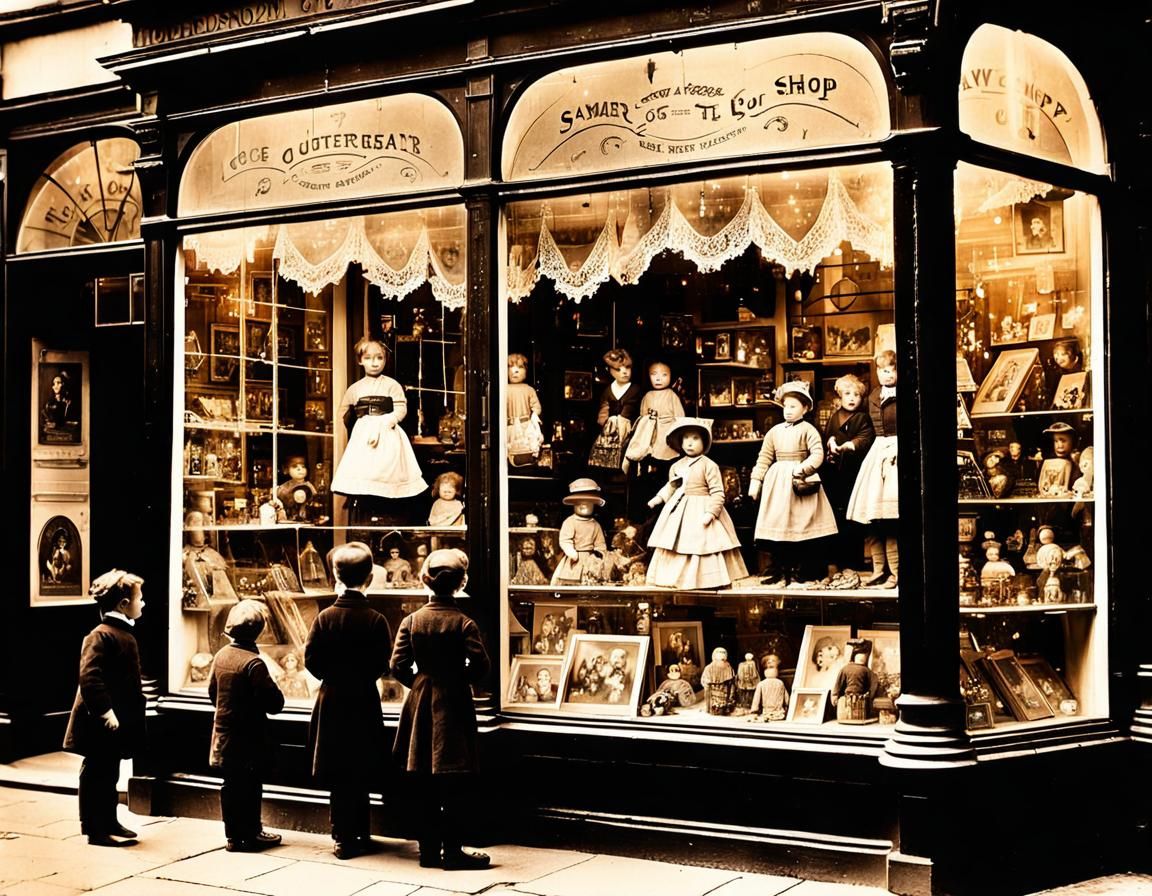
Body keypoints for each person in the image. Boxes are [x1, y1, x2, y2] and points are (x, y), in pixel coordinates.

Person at [390, 548, 492, 870]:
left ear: (424, 580)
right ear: (461, 583)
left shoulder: (411, 621)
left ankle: (428, 851)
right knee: (454, 782)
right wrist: (459, 678)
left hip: (420, 703)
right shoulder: (465, 623)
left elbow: (397, 665)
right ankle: (453, 851)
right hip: (454, 703)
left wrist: (419, 683)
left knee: (423, 781)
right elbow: (481, 666)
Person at [305, 542, 394, 860]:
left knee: (338, 771)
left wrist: (332, 677)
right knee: (360, 766)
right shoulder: (376, 619)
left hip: (332, 700)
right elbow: (384, 662)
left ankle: (342, 836)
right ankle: (362, 831)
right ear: (370, 577)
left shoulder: (324, 617)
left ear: (335, 577)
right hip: (363, 699)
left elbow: (311, 660)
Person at [62, 569, 147, 847]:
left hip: (115, 721)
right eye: (139, 598)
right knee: (97, 773)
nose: (143, 603)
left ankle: (109, 821)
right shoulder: (100, 636)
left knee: (109, 773)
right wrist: (105, 712)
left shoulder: (122, 633)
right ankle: (95, 828)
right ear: (123, 604)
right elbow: (89, 678)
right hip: (99, 721)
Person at [208, 599, 286, 852]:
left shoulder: (221, 655)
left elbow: (212, 692)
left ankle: (233, 836)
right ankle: (252, 833)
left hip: (223, 734)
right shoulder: (254, 663)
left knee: (230, 786)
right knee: (251, 786)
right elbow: (275, 703)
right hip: (249, 738)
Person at [748, 380, 838, 586]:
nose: (788, 411)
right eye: (786, 406)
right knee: (779, 524)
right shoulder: (774, 432)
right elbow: (764, 457)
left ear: (805, 408)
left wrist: (803, 468)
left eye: (793, 406)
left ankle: (801, 572)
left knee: (801, 525)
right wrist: (756, 480)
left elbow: (818, 454)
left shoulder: (809, 430)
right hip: (778, 483)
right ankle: (781, 571)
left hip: (800, 482)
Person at [644, 417, 749, 590]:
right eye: (686, 438)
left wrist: (711, 512)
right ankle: (678, 578)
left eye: (695, 439)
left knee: (702, 545)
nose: (689, 443)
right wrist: (659, 498)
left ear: (704, 442)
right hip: (680, 510)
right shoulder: (677, 466)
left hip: (701, 509)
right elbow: (672, 486)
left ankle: (705, 580)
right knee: (677, 543)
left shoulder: (709, 465)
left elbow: (717, 492)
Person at [330, 337, 427, 517]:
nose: (374, 363)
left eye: (379, 358)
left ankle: (387, 504)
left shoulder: (392, 385)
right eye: (368, 358)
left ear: (385, 360)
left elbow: (400, 409)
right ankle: (366, 504)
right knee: (364, 469)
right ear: (360, 360)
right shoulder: (355, 388)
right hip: (364, 436)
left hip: (386, 432)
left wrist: (387, 421)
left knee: (387, 468)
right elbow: (343, 412)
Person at [847, 350, 899, 588]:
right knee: (872, 517)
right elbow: (868, 428)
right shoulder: (874, 396)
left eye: (890, 369)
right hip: (878, 451)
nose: (885, 374)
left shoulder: (905, 394)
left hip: (897, 449)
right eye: (881, 370)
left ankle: (897, 573)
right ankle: (879, 570)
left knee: (891, 519)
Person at [820, 373, 875, 579]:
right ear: (840, 396)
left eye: (856, 395)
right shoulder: (835, 416)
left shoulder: (862, 417)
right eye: (847, 394)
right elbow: (829, 433)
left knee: (854, 518)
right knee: (837, 517)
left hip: (854, 472)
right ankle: (837, 561)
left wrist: (850, 445)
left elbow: (865, 437)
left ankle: (853, 562)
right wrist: (831, 442)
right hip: (835, 473)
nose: (852, 398)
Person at [550, 478, 609, 586]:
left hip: (591, 559)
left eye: (588, 504)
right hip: (575, 559)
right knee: (569, 580)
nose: (583, 506)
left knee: (591, 580)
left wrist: (600, 554)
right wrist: (571, 552)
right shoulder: (570, 522)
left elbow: (600, 543)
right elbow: (565, 539)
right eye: (579, 504)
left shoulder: (595, 524)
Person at [507, 352, 544, 465]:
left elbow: (536, 407)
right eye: (511, 367)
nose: (515, 371)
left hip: (525, 427)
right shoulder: (504, 389)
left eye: (520, 367)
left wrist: (534, 417)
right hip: (509, 428)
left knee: (526, 451)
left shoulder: (529, 389)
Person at [831, 650, 879, 722]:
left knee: (848, 713)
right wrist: (871, 695)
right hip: (861, 698)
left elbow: (838, 683)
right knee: (859, 713)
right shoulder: (866, 670)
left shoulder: (845, 668)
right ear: (864, 660)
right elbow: (875, 682)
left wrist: (835, 695)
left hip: (847, 698)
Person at [751, 655, 789, 721]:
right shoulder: (780, 683)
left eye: (773, 661)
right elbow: (787, 699)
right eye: (768, 662)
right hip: (779, 714)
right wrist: (788, 706)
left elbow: (756, 699)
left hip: (766, 714)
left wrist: (754, 711)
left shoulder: (761, 684)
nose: (770, 662)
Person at [700, 646, 735, 715]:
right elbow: (705, 681)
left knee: (723, 705)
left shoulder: (728, 667)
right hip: (713, 693)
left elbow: (731, 682)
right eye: (719, 653)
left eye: (722, 653)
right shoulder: (709, 668)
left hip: (724, 693)